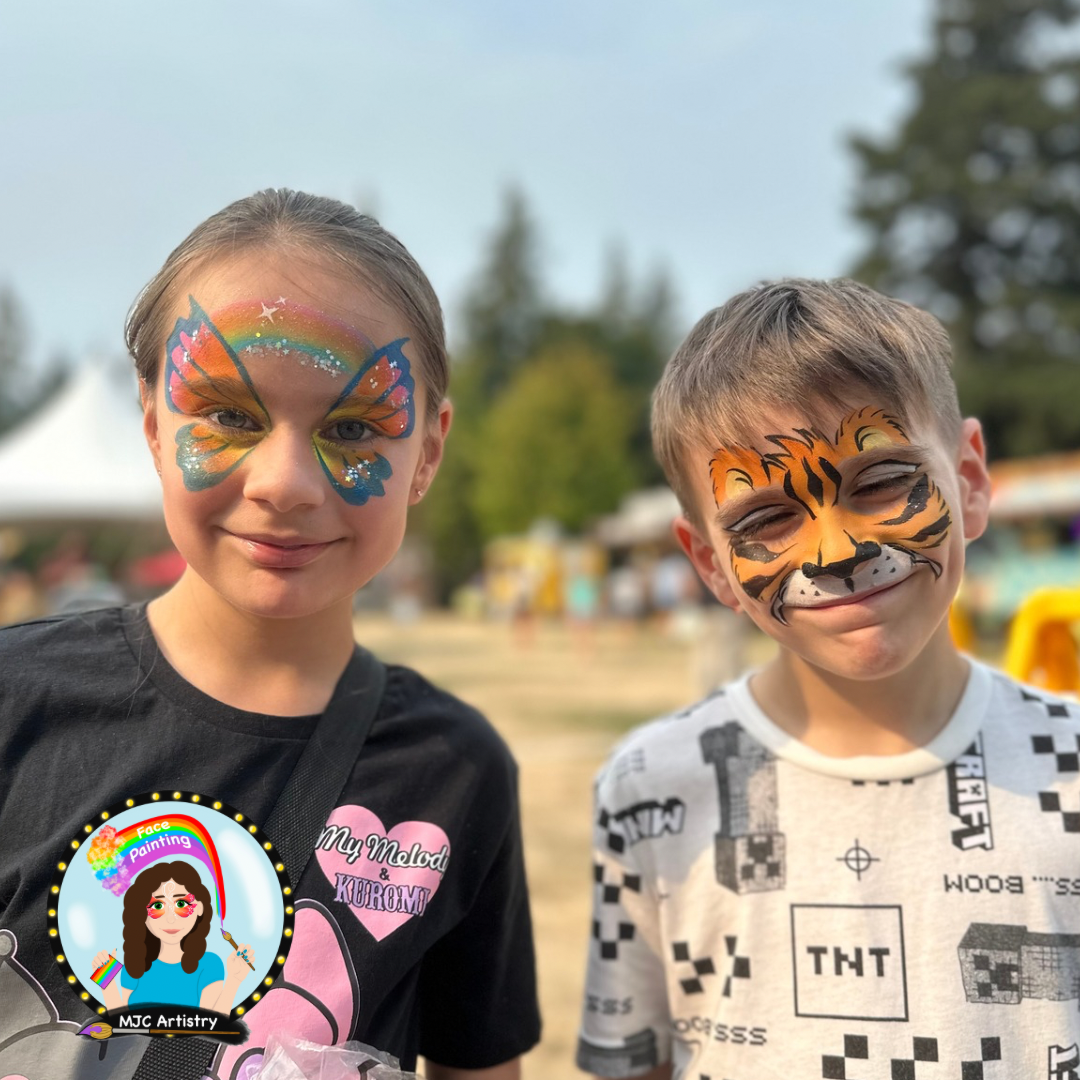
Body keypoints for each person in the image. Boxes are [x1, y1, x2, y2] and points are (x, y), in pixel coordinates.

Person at [0, 190, 539, 1080]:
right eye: (229, 416)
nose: (285, 483)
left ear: (429, 455)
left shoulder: (452, 769)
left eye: (356, 427)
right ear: (151, 422)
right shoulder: (16, 704)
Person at [576, 278, 1080, 1078]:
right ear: (710, 563)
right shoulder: (652, 791)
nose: (837, 550)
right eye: (767, 517)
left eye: (880, 482)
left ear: (972, 481)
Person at [92, 860, 251, 1014]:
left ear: (200, 908)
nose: (170, 918)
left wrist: (234, 981)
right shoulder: (134, 964)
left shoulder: (210, 965)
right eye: (158, 906)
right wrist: (107, 981)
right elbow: (124, 1026)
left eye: (181, 904)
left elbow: (210, 1027)